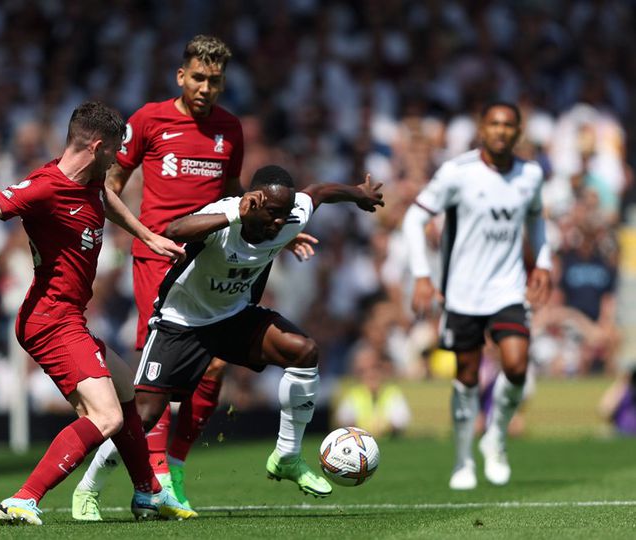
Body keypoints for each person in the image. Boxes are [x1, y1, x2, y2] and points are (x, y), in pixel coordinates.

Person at [0, 101, 196, 525]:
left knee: (125, 393)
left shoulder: (92, 180)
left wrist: (147, 236)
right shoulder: (45, 187)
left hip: (68, 318)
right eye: (116, 149)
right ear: (97, 146)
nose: (120, 158)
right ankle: (22, 499)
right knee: (106, 416)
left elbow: (106, 197)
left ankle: (147, 494)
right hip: (50, 320)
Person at [74, 35, 314, 518]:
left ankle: (173, 470)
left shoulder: (230, 129)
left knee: (216, 367)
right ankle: (154, 475)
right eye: (198, 78)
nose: (206, 88)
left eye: (215, 80)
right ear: (181, 76)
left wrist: (275, 235)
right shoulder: (149, 120)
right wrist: (132, 235)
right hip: (159, 257)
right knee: (152, 381)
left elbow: (235, 194)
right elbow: (111, 185)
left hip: (212, 259)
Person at [79, 165, 384, 505]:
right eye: (272, 213)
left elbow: (319, 191)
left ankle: (286, 457)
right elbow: (175, 229)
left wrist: (358, 194)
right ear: (252, 202)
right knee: (146, 414)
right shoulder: (225, 214)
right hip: (181, 321)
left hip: (232, 316)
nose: (280, 222)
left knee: (304, 351)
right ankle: (89, 488)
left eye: (285, 214)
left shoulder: (292, 216)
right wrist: (235, 214)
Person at [402, 101, 553, 490]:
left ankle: (496, 438)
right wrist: (422, 275)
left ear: (518, 133)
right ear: (481, 129)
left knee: (517, 366)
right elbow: (415, 218)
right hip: (462, 293)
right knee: (466, 377)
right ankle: (463, 459)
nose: (501, 131)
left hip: (507, 288)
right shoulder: (457, 173)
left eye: (508, 125)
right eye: (494, 124)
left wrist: (543, 263)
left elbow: (536, 219)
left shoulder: (530, 175)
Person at [330, 343, 411, 438]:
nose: (371, 375)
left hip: (389, 441)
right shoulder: (354, 394)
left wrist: (384, 429)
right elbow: (342, 421)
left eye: (375, 369)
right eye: (365, 371)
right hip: (360, 441)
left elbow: (401, 423)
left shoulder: (392, 392)